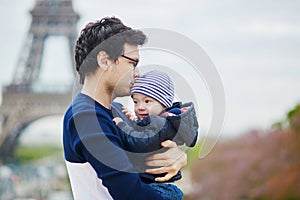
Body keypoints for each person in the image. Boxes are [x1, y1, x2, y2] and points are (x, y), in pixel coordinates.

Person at [63, 17, 187, 200]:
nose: (137, 74)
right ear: (104, 60)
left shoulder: (114, 111)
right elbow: (132, 193)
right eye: (132, 63)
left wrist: (176, 156)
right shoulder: (86, 117)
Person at [112, 70, 199, 200]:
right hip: (159, 185)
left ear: (164, 103)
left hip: (158, 188)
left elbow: (139, 143)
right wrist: (133, 122)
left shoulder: (160, 123)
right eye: (136, 102)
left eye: (147, 101)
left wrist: (122, 126)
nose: (140, 107)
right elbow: (146, 135)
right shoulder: (160, 121)